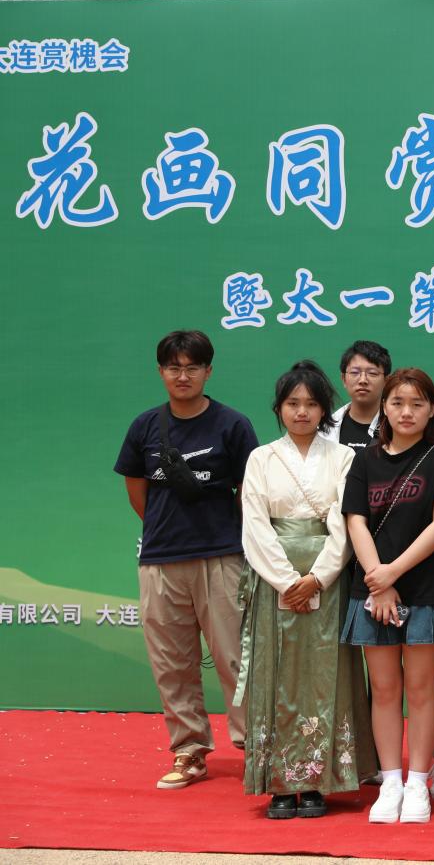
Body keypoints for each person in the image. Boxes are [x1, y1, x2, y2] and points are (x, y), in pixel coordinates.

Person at [113, 330, 259, 789]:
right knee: (171, 663)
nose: (183, 376)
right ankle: (189, 750)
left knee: (236, 659)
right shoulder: (144, 427)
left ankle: (255, 747)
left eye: (192, 367)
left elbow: (249, 492)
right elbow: (137, 491)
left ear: (208, 371)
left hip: (222, 556)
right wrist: (165, 529)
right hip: (160, 560)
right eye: (174, 367)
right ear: (161, 372)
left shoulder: (233, 425)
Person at [238, 361, 377, 818]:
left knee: (325, 673)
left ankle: (319, 780)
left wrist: (317, 578)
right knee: (277, 672)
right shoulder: (261, 458)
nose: (302, 412)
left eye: (312, 404)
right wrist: (286, 581)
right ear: (278, 408)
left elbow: (347, 523)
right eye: (292, 403)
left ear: (324, 410)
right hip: (274, 581)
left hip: (328, 580)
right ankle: (279, 782)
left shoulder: (343, 458)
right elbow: (255, 525)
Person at [340, 368, 434, 824]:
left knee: (420, 689)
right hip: (373, 591)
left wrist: (392, 573)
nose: (406, 412)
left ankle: (417, 784)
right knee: (385, 690)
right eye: (397, 403)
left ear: (432, 409)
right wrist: (379, 580)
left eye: (417, 403)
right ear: (384, 408)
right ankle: (390, 782)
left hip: (426, 589)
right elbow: (355, 521)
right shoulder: (364, 461)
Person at [323, 340, 391, 449]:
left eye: (372, 373)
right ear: (344, 379)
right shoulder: (325, 430)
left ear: (386, 381)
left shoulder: (397, 426)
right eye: (355, 372)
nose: (363, 380)